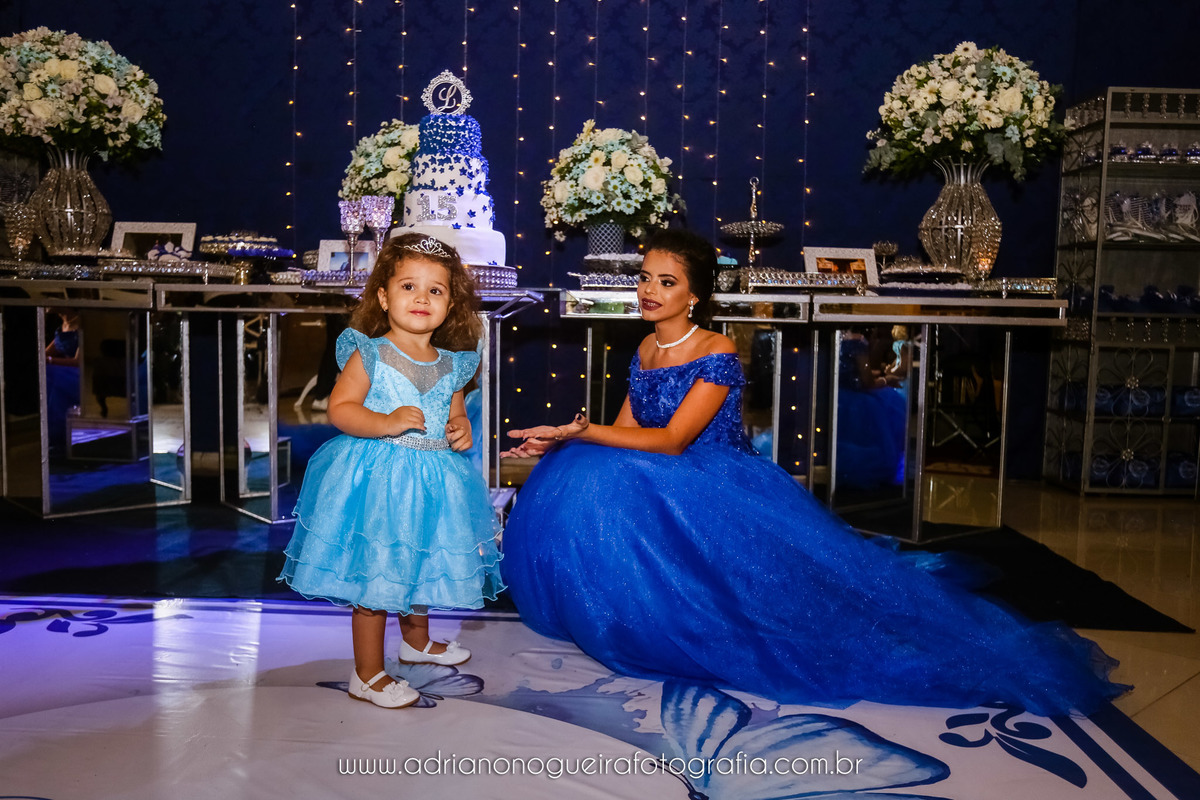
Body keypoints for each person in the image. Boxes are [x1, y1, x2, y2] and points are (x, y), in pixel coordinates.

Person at [500, 228, 1126, 717]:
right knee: (588, 475)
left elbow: (672, 440)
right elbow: (626, 429)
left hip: (712, 477)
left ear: (694, 295)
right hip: (657, 471)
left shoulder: (716, 349)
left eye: (666, 282)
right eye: (644, 278)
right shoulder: (644, 347)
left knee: (795, 601)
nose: (649, 291)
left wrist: (580, 432)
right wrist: (565, 438)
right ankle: (628, 616)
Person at [278, 234, 503, 709]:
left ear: (450, 304)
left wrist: (460, 427)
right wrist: (385, 422)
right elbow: (340, 409)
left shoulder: (453, 364)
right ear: (383, 296)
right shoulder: (371, 354)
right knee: (378, 575)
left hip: (433, 481)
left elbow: (454, 411)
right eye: (408, 286)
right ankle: (367, 673)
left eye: (435, 290)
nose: (422, 298)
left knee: (419, 559)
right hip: (382, 481)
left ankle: (416, 642)